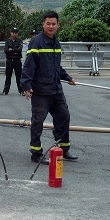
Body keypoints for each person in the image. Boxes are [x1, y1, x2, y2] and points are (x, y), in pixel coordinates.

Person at [20, 11, 78, 164]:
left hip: (56, 89)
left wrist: (68, 77)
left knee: (64, 116)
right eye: (48, 24)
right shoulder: (36, 42)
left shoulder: (56, 42)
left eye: (54, 24)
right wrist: (26, 85)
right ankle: (36, 152)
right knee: (38, 121)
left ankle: (62, 149)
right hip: (40, 90)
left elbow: (56, 67)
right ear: (43, 24)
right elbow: (29, 65)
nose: (51, 26)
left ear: (58, 25)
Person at [1, 27, 24, 96]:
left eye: (16, 33)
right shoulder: (7, 41)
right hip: (9, 61)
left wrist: (11, 50)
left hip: (17, 60)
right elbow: (5, 51)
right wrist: (14, 51)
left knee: (19, 77)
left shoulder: (20, 41)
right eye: (13, 32)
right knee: (8, 76)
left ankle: (21, 91)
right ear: (10, 33)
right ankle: (5, 91)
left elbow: (19, 50)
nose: (14, 34)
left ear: (17, 34)